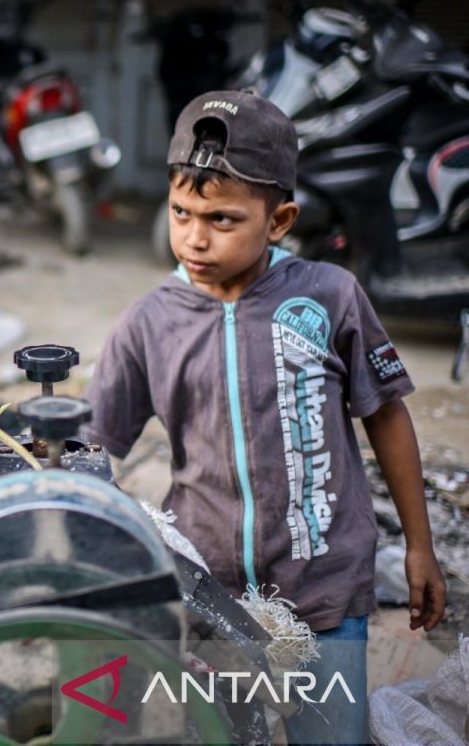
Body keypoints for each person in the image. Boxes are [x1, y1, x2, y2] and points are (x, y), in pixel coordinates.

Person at [83, 89, 446, 745]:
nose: (194, 236)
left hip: (324, 590)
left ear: (278, 220)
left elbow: (386, 416)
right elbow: (92, 443)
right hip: (207, 598)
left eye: (222, 219)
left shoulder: (330, 296)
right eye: (180, 212)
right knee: (214, 732)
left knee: (328, 737)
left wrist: (420, 546)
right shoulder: (149, 321)